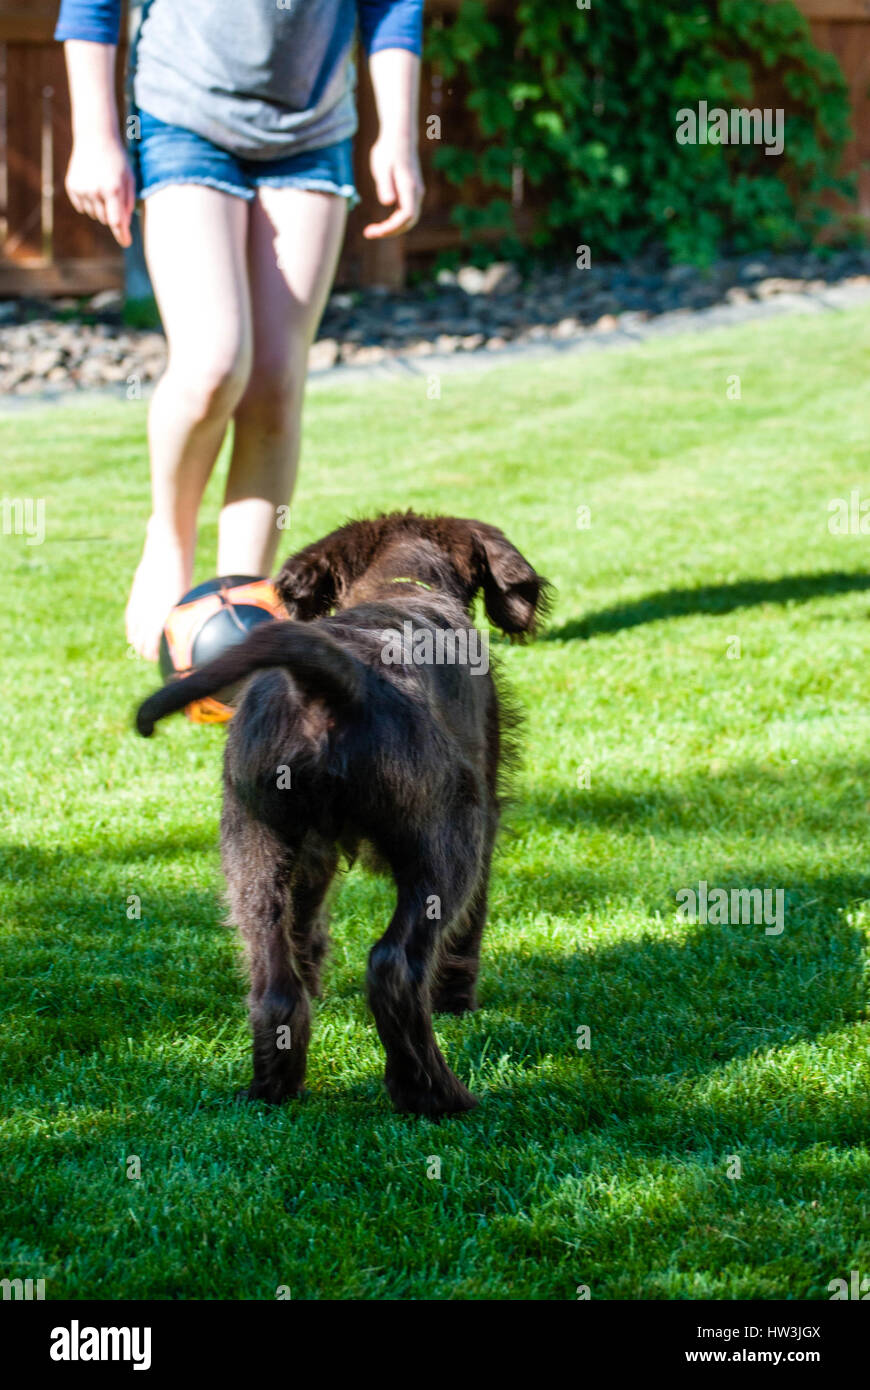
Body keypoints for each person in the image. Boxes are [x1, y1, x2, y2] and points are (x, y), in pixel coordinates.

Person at [55, 0, 425, 660]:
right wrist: (94, 132)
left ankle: (242, 612)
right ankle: (169, 540)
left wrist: (396, 134)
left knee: (276, 382)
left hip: (312, 131)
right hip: (184, 114)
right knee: (213, 362)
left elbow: (395, 6)